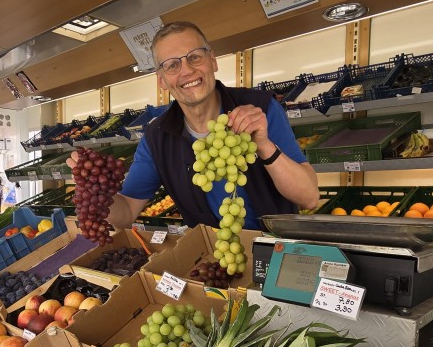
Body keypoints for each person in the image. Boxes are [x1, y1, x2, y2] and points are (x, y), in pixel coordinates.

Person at [67, 21, 317, 231]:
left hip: (277, 255)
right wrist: (94, 188)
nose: (187, 70)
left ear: (213, 61)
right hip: (213, 262)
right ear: (162, 80)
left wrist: (264, 145)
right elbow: (126, 213)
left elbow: (309, 197)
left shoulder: (259, 109)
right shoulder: (157, 137)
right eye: (172, 65)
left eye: (194, 57)